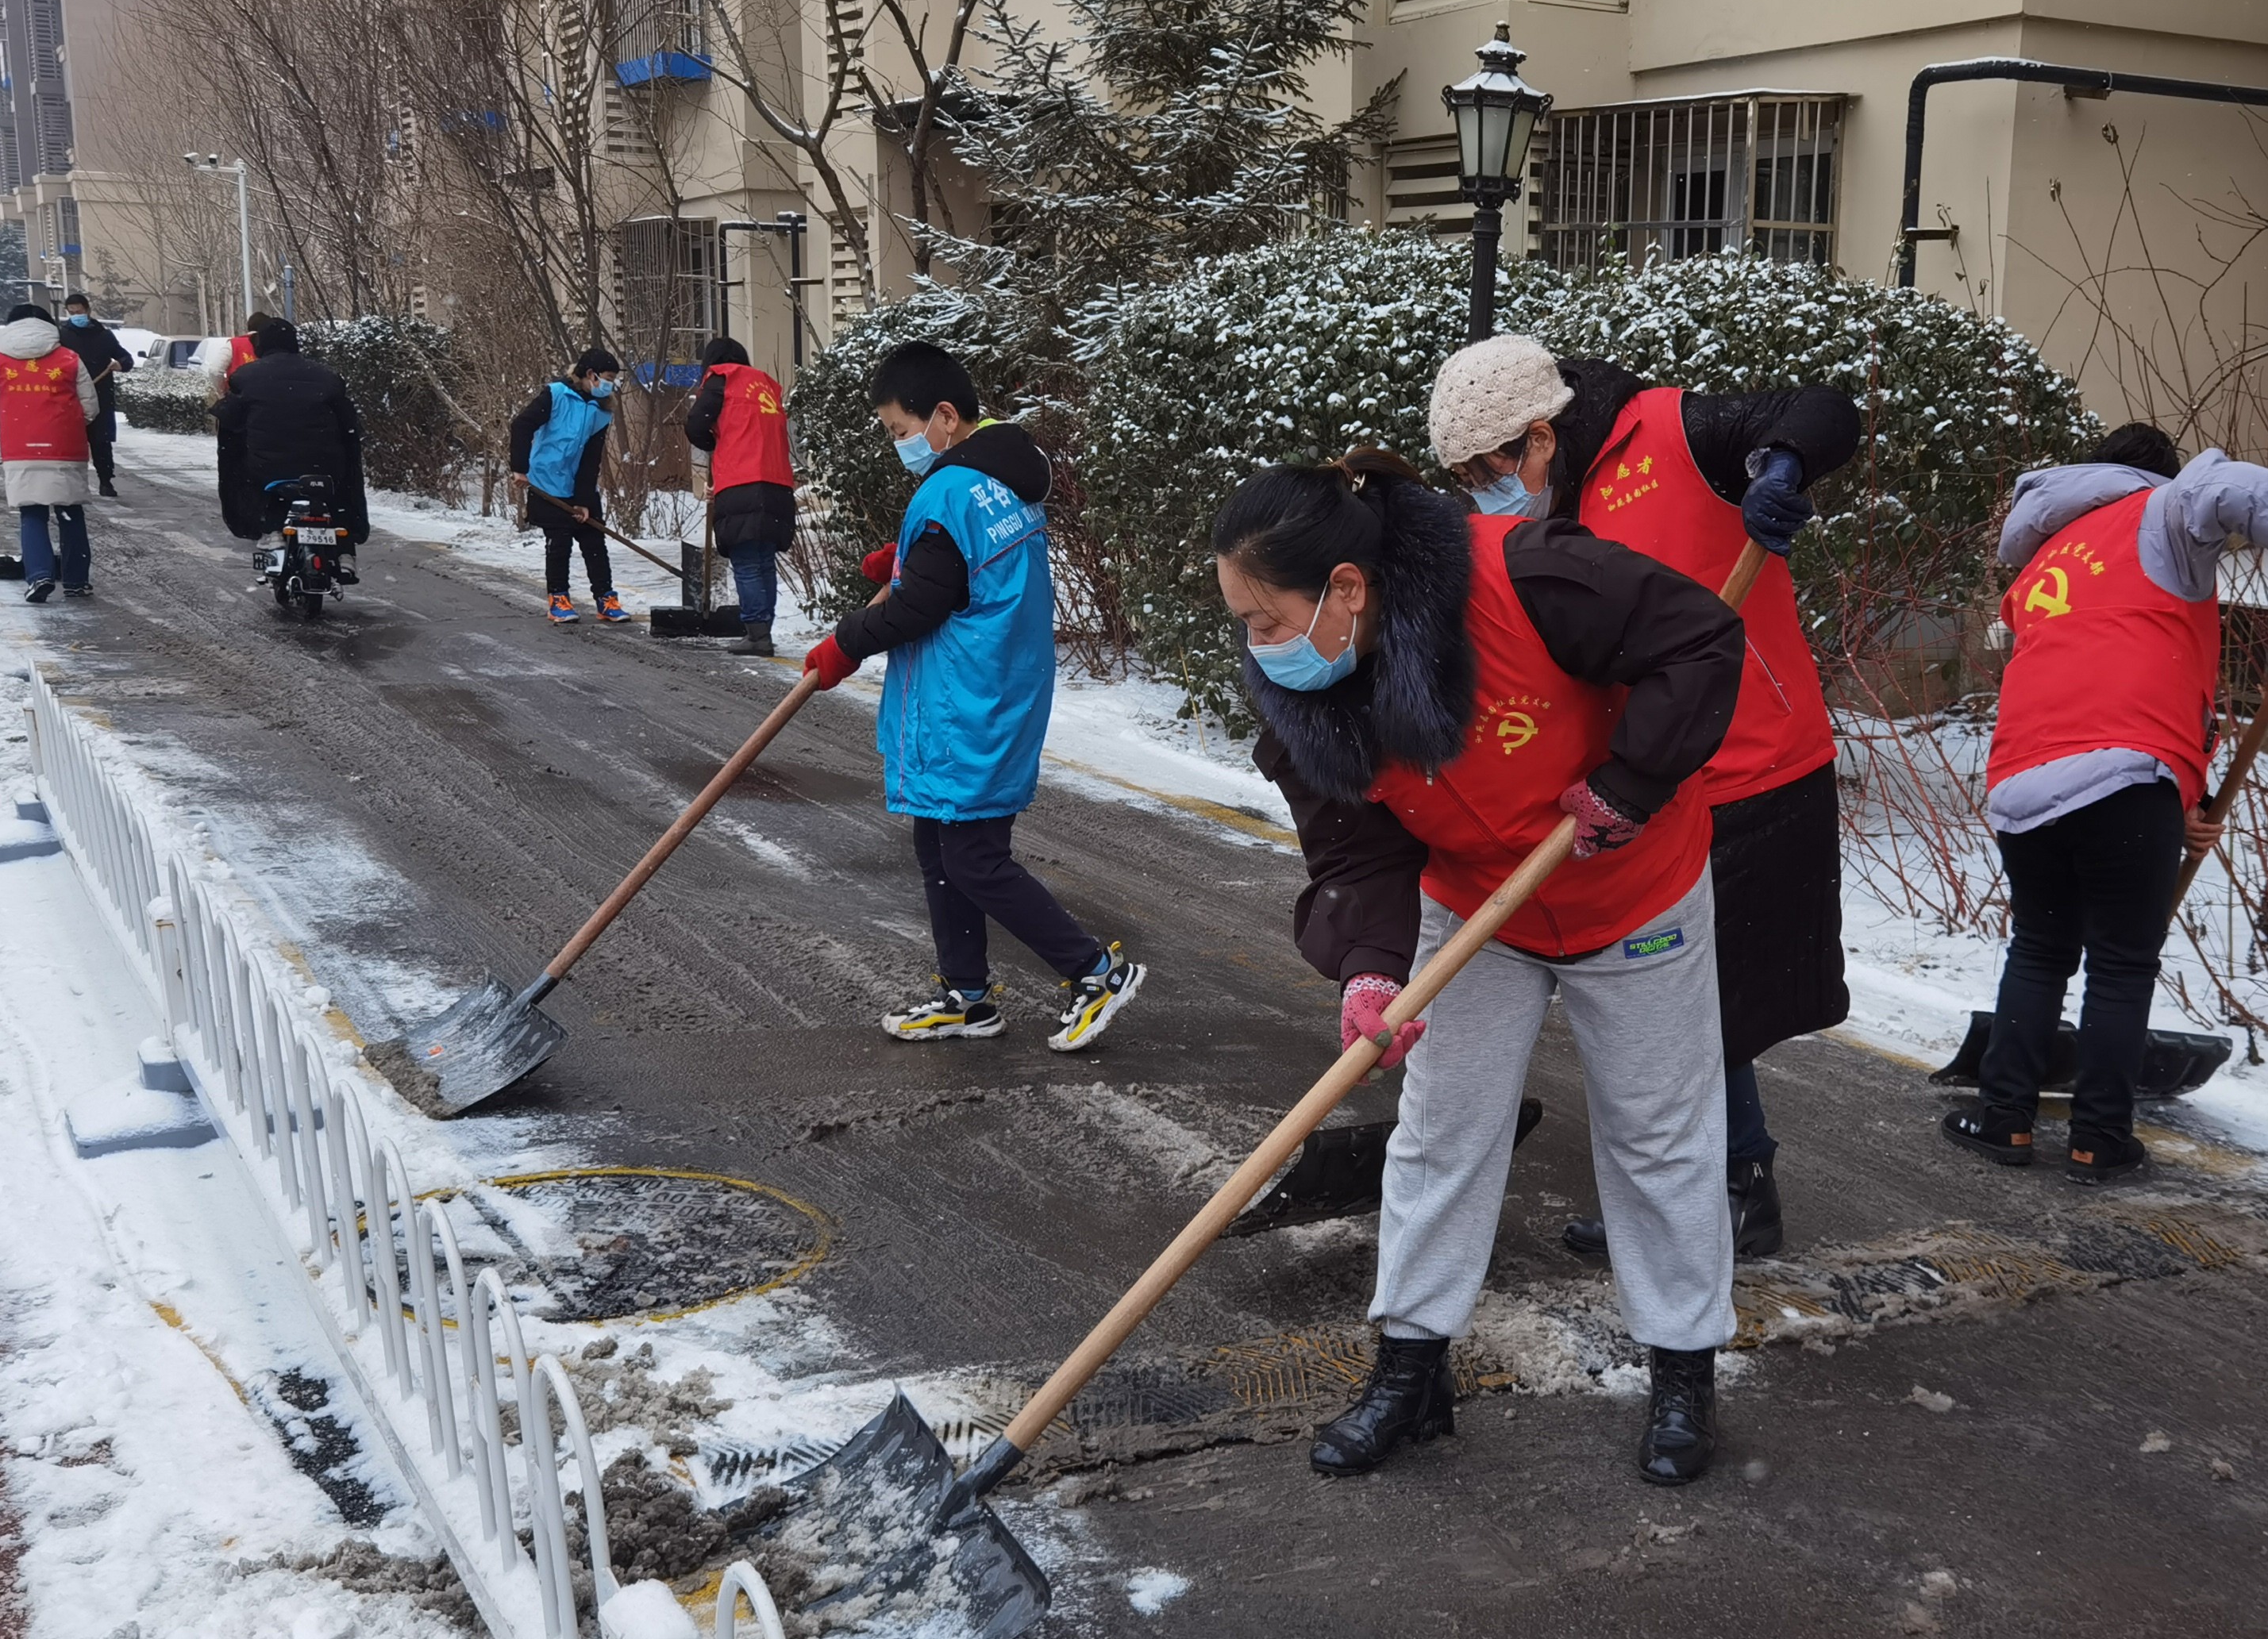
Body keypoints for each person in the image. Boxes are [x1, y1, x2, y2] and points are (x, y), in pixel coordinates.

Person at [1219, 450, 1746, 1486]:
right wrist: (1372, 970)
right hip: (1475, 907)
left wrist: (1635, 776)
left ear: (1347, 590)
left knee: (1659, 1134)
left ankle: (1684, 1368)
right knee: (1440, 1130)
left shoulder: (1531, 580)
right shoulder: (1306, 709)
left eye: (1265, 620)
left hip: (1632, 888)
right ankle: (1411, 1370)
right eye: (1241, 621)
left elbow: (1699, 640)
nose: (1255, 645)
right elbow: (1359, 850)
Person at [1426, 333, 1859, 1263]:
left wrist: (1783, 465)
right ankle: (1711, 1191)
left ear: (1538, 435)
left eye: (1485, 468)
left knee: (1701, 1003)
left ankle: (1730, 1192)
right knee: (1676, 1006)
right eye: (1461, 477)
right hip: (1641, 776)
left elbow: (1822, 406)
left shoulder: (1677, 433)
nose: (1480, 491)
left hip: (1749, 761)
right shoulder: (1542, 505)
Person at [1949, 422, 2268, 1182]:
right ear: (2157, 478)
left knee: (2039, 949)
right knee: (2121, 965)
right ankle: (2097, 1139)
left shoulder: (2045, 558)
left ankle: (2003, 1118)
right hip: (2127, 775)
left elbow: (2116, 666)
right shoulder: (2167, 512)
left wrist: (2190, 798)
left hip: (2020, 781)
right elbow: (2236, 489)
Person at [801, 340, 1147, 1053]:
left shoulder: (949, 491)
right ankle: (967, 996)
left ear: (945, 417)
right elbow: (958, 568)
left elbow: (919, 607)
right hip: (993, 687)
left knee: (972, 857)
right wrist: (906, 559)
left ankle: (1094, 971)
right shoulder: (999, 476)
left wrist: (844, 643)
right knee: (941, 845)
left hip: (967, 703)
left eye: (901, 431)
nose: (899, 445)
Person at [210, 317, 369, 556]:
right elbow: (349, 424)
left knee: (248, 468)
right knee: (335, 488)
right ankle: (345, 550)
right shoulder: (326, 377)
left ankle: (270, 529)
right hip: (324, 468)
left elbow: (231, 424)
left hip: (268, 468)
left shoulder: (247, 378)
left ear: (260, 345)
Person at [683, 335, 795, 657]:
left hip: (742, 482)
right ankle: (764, 630)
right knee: (763, 560)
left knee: (746, 562)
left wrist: (715, 446)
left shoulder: (721, 380)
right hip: (777, 485)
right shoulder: (765, 386)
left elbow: (696, 424)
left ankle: (756, 634)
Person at [0, 303, 98, 602]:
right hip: (64, 446)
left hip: (20, 447)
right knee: (70, 511)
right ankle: (76, 581)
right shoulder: (69, 359)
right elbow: (90, 406)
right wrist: (64, 425)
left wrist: (23, 427)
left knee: (31, 512)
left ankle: (39, 576)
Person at [511, 348, 629, 625]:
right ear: (591, 375)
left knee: (594, 540)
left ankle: (605, 598)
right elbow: (521, 425)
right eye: (609, 378)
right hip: (545, 480)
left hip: (578, 481)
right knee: (559, 541)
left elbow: (591, 458)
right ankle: (559, 599)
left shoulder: (602, 411)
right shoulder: (555, 395)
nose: (612, 385)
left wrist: (583, 500)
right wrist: (520, 468)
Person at [53, 291, 129, 496]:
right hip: (70, 396)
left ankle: (106, 481)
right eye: (71, 312)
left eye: (79, 311)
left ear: (87, 310)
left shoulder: (103, 335)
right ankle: (69, 483)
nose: (76, 315)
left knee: (101, 441)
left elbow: (125, 357)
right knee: (69, 441)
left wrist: (120, 364)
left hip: (100, 396)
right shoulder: (62, 336)